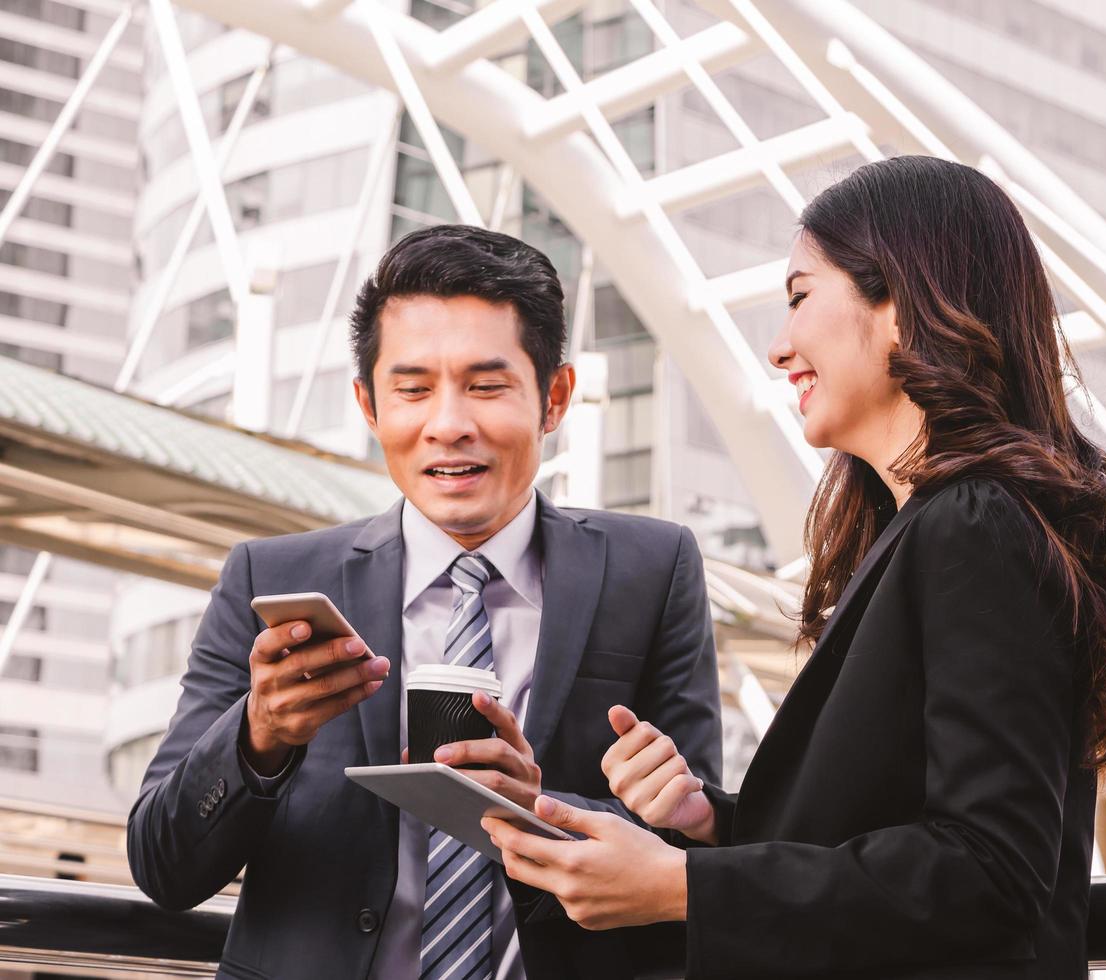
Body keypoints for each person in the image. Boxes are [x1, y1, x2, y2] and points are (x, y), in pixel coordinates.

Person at [483, 156, 1106, 979]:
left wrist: (683, 885)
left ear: (900, 304)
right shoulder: (937, 531)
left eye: (800, 297)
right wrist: (709, 823)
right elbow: (881, 847)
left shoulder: (974, 526)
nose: (779, 349)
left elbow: (988, 875)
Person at [127, 225, 723, 980]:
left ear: (555, 398)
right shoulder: (266, 581)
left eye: (485, 385)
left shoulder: (654, 570)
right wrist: (259, 737)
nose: (448, 424)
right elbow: (161, 865)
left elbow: (694, 845)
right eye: (412, 389)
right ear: (369, 406)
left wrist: (536, 809)